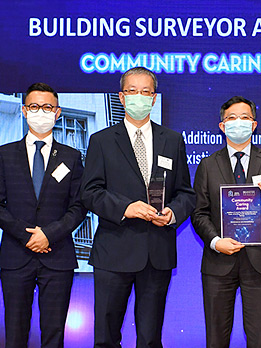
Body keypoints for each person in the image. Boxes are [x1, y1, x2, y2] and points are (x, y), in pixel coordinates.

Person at [80, 67, 195, 348]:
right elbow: (89, 192)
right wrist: (126, 208)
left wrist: (173, 214)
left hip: (157, 253)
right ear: (121, 97)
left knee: (150, 338)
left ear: (154, 98)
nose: (139, 97)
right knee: (106, 338)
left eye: (146, 92)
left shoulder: (172, 139)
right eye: (132, 91)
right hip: (113, 252)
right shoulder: (102, 140)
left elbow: (186, 193)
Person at [0, 82, 87, 348]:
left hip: (58, 257)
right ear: (24, 110)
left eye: (47, 107)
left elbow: (79, 206)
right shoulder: (4, 155)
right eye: (34, 106)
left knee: (54, 335)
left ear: (58, 112)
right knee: (15, 334)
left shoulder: (72, 157)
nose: (41, 112)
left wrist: (49, 235)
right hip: (16, 255)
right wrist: (26, 234)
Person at [191, 96, 261, 348]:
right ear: (222, 126)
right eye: (232, 118)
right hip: (218, 262)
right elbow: (199, 212)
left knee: (259, 339)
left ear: (254, 124)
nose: (239, 123)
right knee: (216, 338)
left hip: (260, 263)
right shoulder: (207, 165)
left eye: (245, 117)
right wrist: (215, 242)